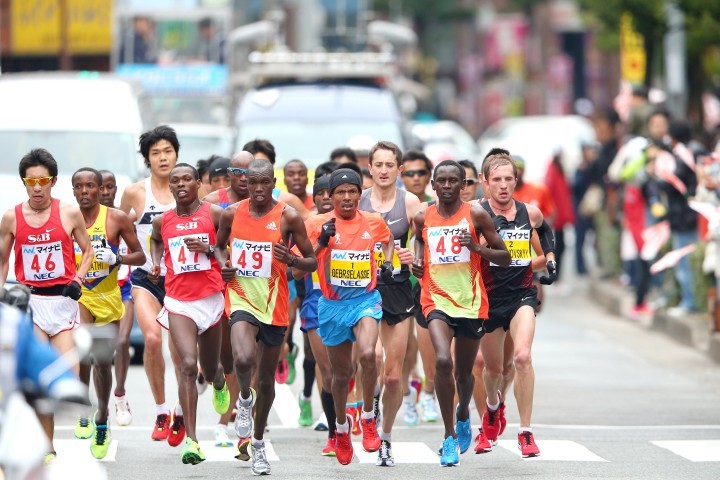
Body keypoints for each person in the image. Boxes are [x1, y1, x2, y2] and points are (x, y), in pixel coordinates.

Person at [214, 160, 317, 475]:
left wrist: (292, 260)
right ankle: (244, 399)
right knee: (243, 359)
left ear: (274, 182)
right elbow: (218, 248)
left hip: (274, 305)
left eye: (264, 183)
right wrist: (225, 265)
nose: (258, 189)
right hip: (241, 298)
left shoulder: (288, 217)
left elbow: (312, 261)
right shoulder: (232, 213)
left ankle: (257, 444)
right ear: (246, 182)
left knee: (266, 380)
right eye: (253, 182)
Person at [411, 160, 510, 466]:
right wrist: (417, 261)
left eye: (453, 181)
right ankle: (449, 436)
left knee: (464, 374)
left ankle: (463, 413)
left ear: (463, 185)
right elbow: (417, 239)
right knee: (443, 360)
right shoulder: (422, 216)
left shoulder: (476, 215)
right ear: (433, 185)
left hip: (470, 302)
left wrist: (477, 249)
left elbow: (504, 256)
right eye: (441, 181)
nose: (447, 186)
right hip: (435, 299)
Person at [302, 168, 403, 465]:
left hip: (365, 300)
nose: (347, 197)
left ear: (360, 194)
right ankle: (341, 429)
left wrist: (386, 263)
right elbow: (302, 263)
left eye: (352, 191)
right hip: (332, 306)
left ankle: (368, 417)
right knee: (340, 375)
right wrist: (322, 241)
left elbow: (387, 241)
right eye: (340, 192)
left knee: (369, 354)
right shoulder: (316, 223)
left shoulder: (373, 221)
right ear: (331, 196)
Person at [0, 148, 94, 462]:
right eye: (31, 181)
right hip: (31, 304)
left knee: (67, 373)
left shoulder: (68, 212)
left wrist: (78, 278)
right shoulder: (11, 217)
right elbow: (2, 260)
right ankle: (47, 447)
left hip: (63, 302)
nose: (37, 187)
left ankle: (64, 427)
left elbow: (88, 251)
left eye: (43, 181)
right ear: (24, 182)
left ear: (53, 181)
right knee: (39, 379)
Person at [477, 148, 557, 458]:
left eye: (508, 179)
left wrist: (548, 259)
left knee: (522, 357)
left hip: (522, 295)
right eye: (497, 179)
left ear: (516, 180)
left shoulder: (529, 212)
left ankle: (525, 432)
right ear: (485, 182)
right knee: (494, 369)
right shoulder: (476, 213)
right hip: (488, 297)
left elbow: (545, 232)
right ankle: (493, 407)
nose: (503, 185)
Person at [149, 163, 230, 464]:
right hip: (179, 301)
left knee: (209, 369)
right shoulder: (162, 220)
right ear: (169, 186)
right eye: (175, 180)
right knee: (187, 364)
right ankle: (192, 441)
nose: (181, 184)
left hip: (210, 298)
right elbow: (156, 240)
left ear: (198, 183)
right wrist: (156, 262)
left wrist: (208, 249)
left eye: (187, 179)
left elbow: (228, 248)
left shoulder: (215, 214)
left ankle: (218, 379)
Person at [70, 167, 145, 458]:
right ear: (73, 190)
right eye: (79, 186)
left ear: (100, 189)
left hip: (109, 296)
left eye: (91, 186)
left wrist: (117, 258)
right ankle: (83, 408)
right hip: (81, 295)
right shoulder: (66, 217)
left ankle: (102, 418)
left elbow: (140, 256)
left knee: (102, 363)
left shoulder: (116, 219)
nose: (85, 191)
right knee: (82, 349)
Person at [119, 125, 182, 443]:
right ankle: (160, 411)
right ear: (147, 159)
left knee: (181, 351)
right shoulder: (135, 193)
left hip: (182, 280)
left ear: (176, 154)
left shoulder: (187, 189)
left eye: (168, 151)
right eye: (155, 153)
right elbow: (117, 227)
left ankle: (181, 411)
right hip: (146, 278)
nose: (162, 158)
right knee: (153, 340)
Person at [358, 141, 419, 466]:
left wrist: (412, 256)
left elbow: (423, 242)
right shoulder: (359, 200)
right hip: (366, 290)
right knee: (374, 356)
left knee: (394, 377)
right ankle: (369, 410)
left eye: (389, 165)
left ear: (399, 169)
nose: (383, 171)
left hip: (398, 289)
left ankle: (386, 437)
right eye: (378, 165)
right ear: (370, 168)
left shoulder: (409, 202)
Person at [291, 175, 338, 455]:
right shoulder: (307, 225)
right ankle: (334, 431)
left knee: (353, 366)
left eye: (331, 193)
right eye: (320, 193)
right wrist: (321, 242)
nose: (326, 198)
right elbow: (296, 271)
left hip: (352, 301)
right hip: (316, 302)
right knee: (328, 370)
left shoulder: (361, 222)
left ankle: (363, 413)